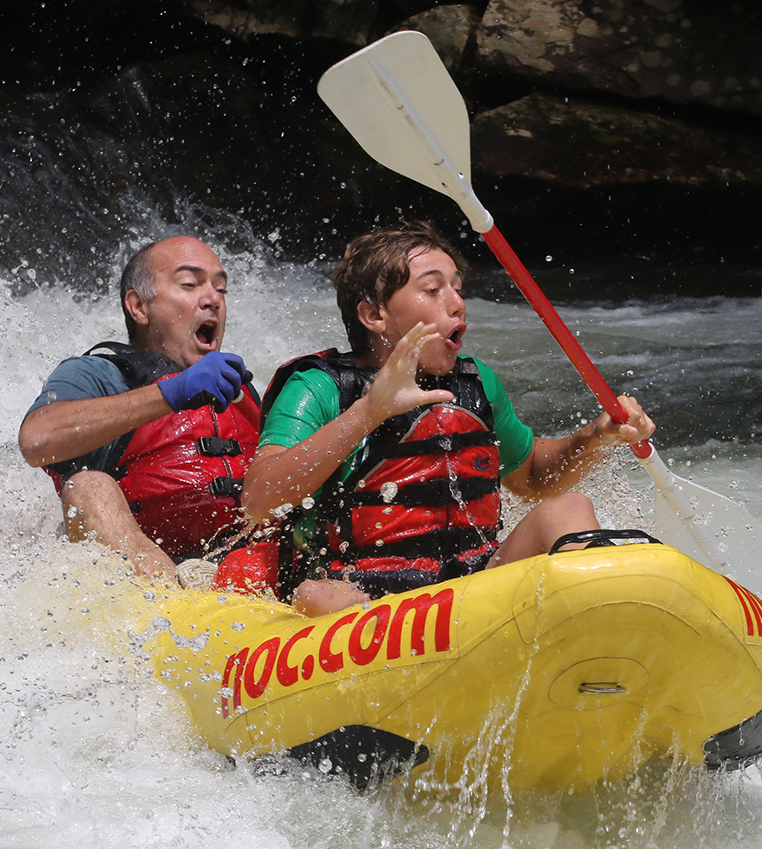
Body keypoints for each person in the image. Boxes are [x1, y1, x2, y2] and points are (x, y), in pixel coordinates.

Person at [241, 222, 654, 617]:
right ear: (374, 316)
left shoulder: (476, 384)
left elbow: (529, 478)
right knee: (317, 596)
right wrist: (370, 411)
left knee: (569, 509)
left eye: (458, 287)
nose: (456, 303)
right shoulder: (322, 389)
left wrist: (595, 437)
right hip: (362, 595)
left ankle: (610, 629)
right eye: (433, 289)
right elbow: (259, 501)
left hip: (475, 588)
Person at [19, 235, 259, 584]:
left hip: (243, 569)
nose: (212, 300)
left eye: (220, 290)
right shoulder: (100, 375)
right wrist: (173, 392)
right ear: (139, 307)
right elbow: (37, 440)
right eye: (190, 284)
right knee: (89, 486)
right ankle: (171, 600)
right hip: (151, 571)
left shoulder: (239, 391)